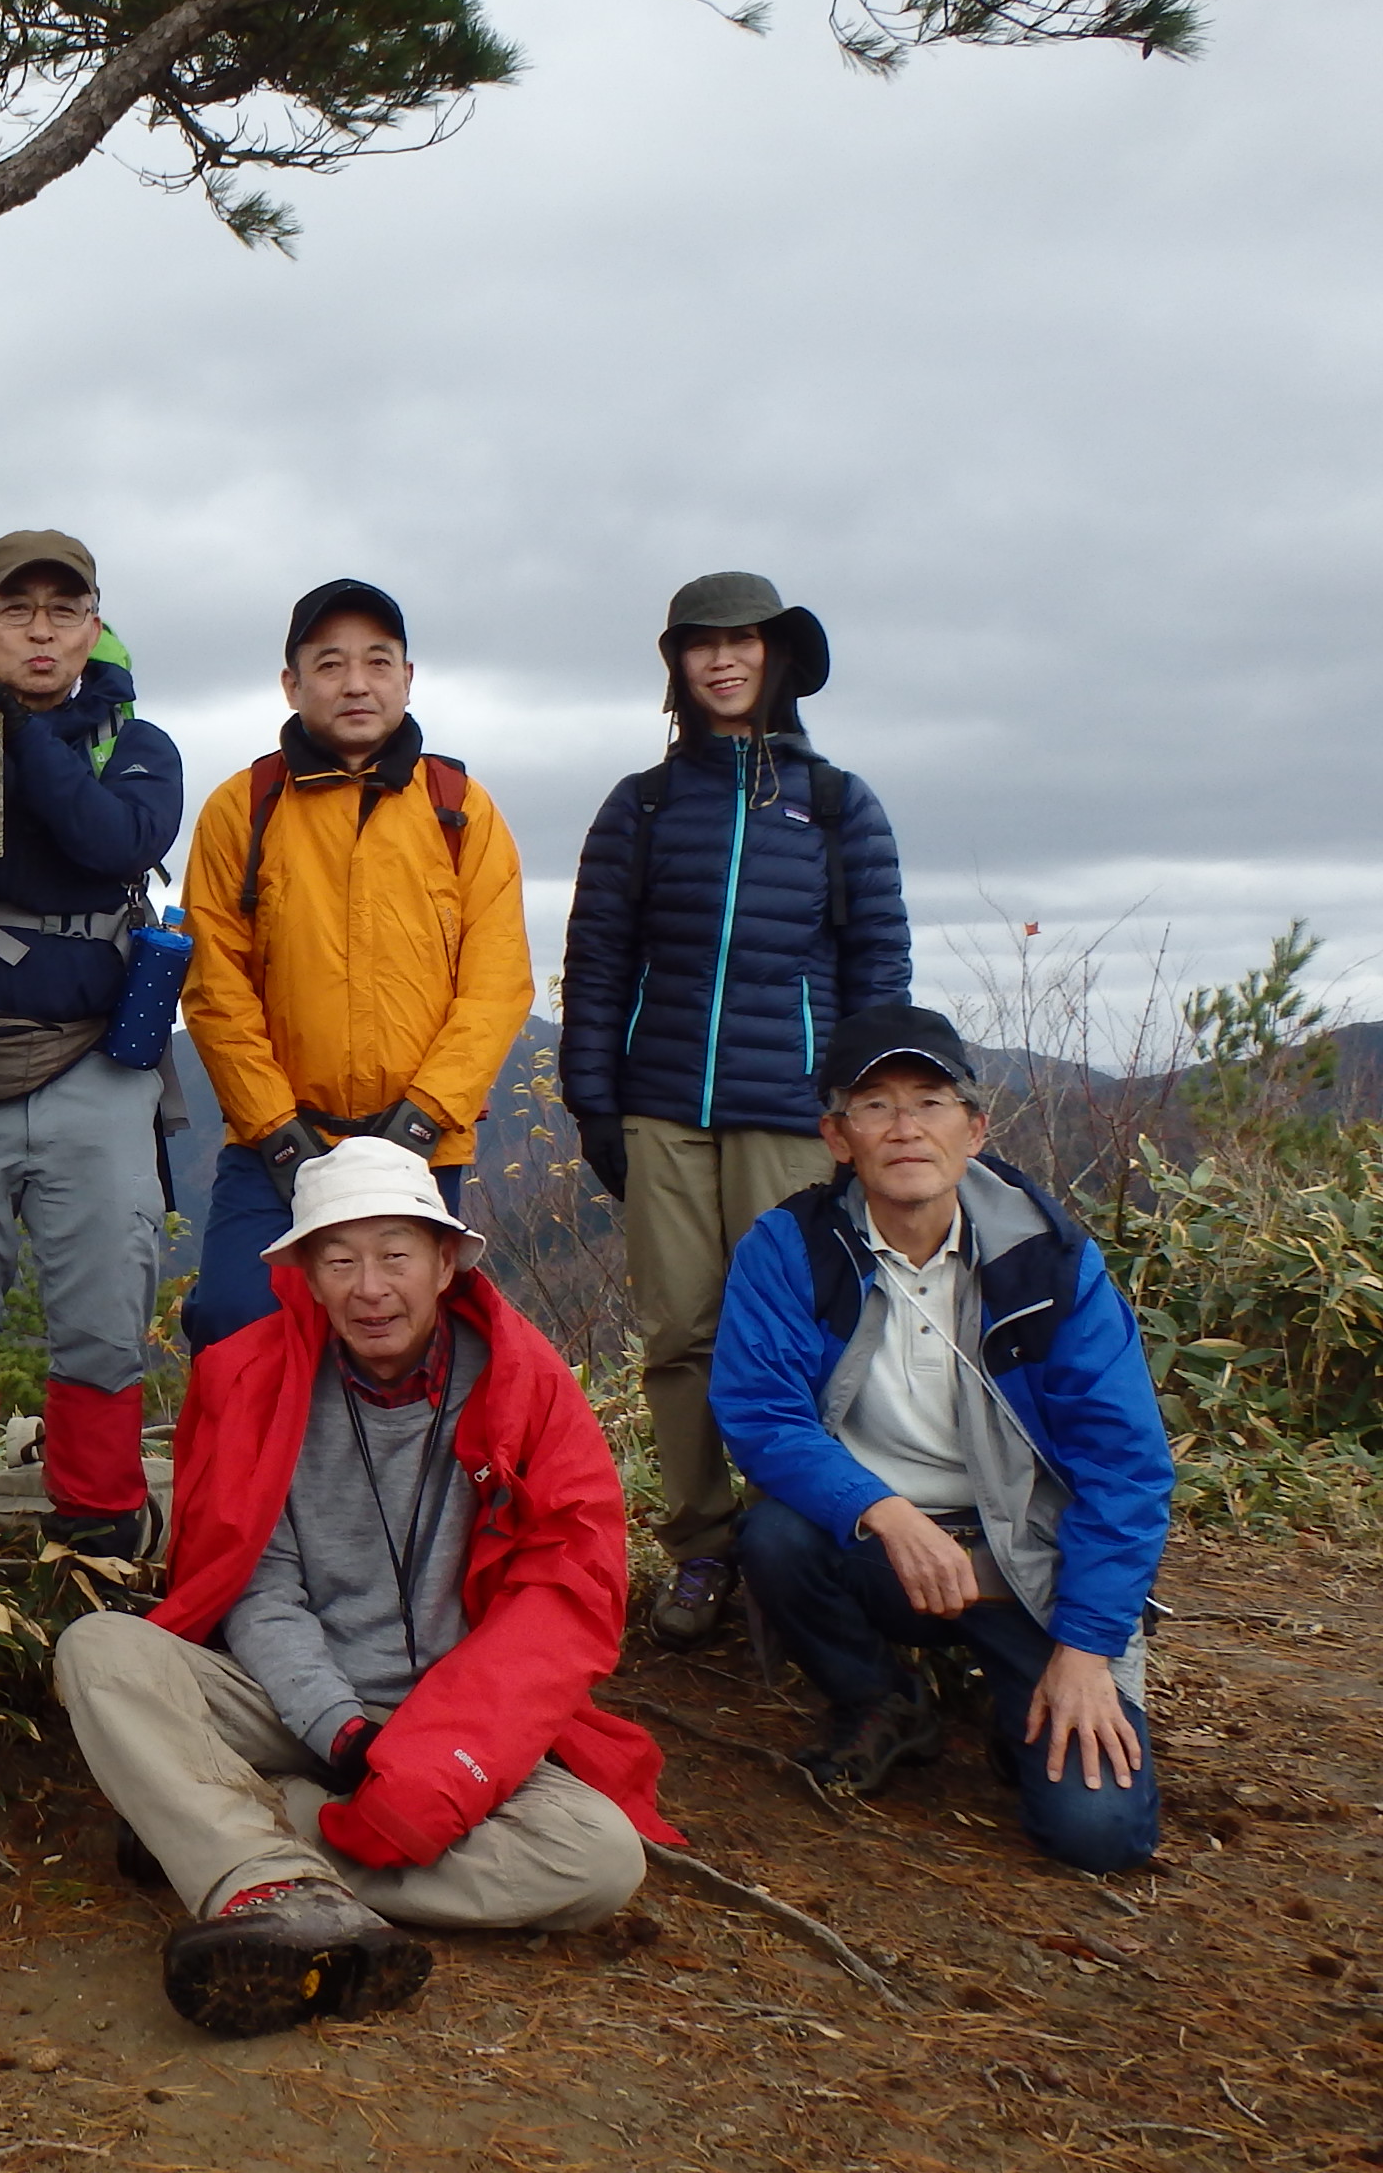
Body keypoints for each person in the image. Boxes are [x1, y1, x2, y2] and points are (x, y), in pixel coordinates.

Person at [55, 1139, 671, 2039]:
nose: (369, 1287)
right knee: (101, 1651)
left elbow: (559, 1603)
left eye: (395, 1255)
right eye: (339, 1259)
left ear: (447, 1261)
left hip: (455, 1723)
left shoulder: (522, 1388)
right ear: (304, 1271)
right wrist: (340, 1731)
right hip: (293, 1706)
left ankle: (248, 1834)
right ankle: (269, 1883)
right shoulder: (257, 1381)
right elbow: (255, 1585)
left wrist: (426, 1763)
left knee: (601, 1861)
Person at [711, 1005, 1170, 1872]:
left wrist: (1086, 1650)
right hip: (873, 1544)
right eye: (875, 1105)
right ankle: (882, 1700)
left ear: (974, 1128)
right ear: (838, 1137)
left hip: (1024, 1561)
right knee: (773, 1536)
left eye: (930, 1101)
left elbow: (1126, 1468)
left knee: (1099, 1836)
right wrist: (881, 1509)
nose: (906, 1128)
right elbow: (761, 1416)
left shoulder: (1048, 1262)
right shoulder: (792, 1247)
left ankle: (1014, 1695)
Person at [561, 571, 911, 1650]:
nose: (721, 661)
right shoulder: (645, 803)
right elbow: (599, 959)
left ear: (775, 658)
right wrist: (592, 1100)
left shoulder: (838, 803)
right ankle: (702, 1547)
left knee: (797, 1338)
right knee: (680, 1335)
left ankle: (787, 1546)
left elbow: (876, 968)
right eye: (699, 645)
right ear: (677, 665)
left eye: (740, 642)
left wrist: (861, 1113)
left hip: (791, 1115)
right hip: (663, 1106)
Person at [0, 530, 186, 1572]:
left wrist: (7, 727)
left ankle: (98, 1534)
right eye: (15, 610)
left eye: (63, 610)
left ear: (94, 626)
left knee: (103, 1319)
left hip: (95, 1064)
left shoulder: (140, 747)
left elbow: (106, 844)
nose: (41, 628)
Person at [178, 582, 532, 1353]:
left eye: (378, 661)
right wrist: (280, 1134)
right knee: (238, 1325)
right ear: (292, 683)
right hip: (277, 1147)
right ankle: (256, 1479)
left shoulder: (459, 808)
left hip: (420, 1144)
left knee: (403, 1344)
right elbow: (215, 989)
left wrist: (421, 1122)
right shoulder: (243, 808)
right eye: (330, 663)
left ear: (408, 677)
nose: (356, 683)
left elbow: (497, 983)